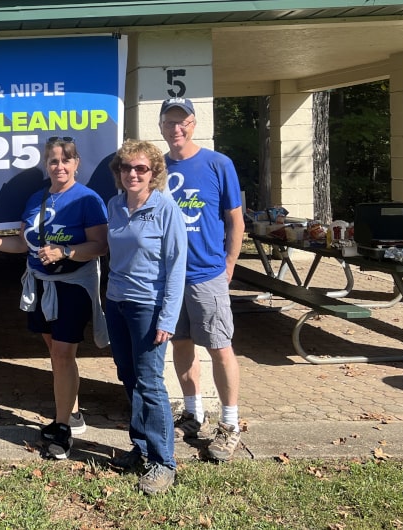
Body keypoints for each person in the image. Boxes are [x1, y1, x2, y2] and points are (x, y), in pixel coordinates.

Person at [0, 136, 109, 460]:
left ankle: (61, 429)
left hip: (72, 285)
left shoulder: (88, 199)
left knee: (62, 353)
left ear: (76, 163)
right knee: (56, 352)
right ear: (47, 165)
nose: (59, 166)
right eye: (54, 161)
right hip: (39, 284)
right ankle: (71, 413)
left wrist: (66, 251)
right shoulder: (36, 198)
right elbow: (22, 244)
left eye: (65, 160)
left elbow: (100, 246)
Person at [159, 97, 246, 462]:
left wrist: (229, 263)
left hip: (206, 275)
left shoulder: (217, 163)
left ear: (193, 124)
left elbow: (235, 219)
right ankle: (193, 413)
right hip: (168, 278)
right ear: (161, 125)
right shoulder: (155, 167)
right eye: (170, 122)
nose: (176, 128)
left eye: (183, 121)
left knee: (219, 348)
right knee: (180, 345)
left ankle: (230, 424)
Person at [104, 139, 187, 495]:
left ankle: (163, 462)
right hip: (116, 303)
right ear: (118, 172)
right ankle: (141, 448)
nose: (133, 174)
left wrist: (168, 318)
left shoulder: (166, 208)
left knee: (150, 384)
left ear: (153, 173)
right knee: (128, 375)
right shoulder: (114, 204)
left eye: (141, 168)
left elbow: (177, 266)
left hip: (148, 307)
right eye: (126, 168)